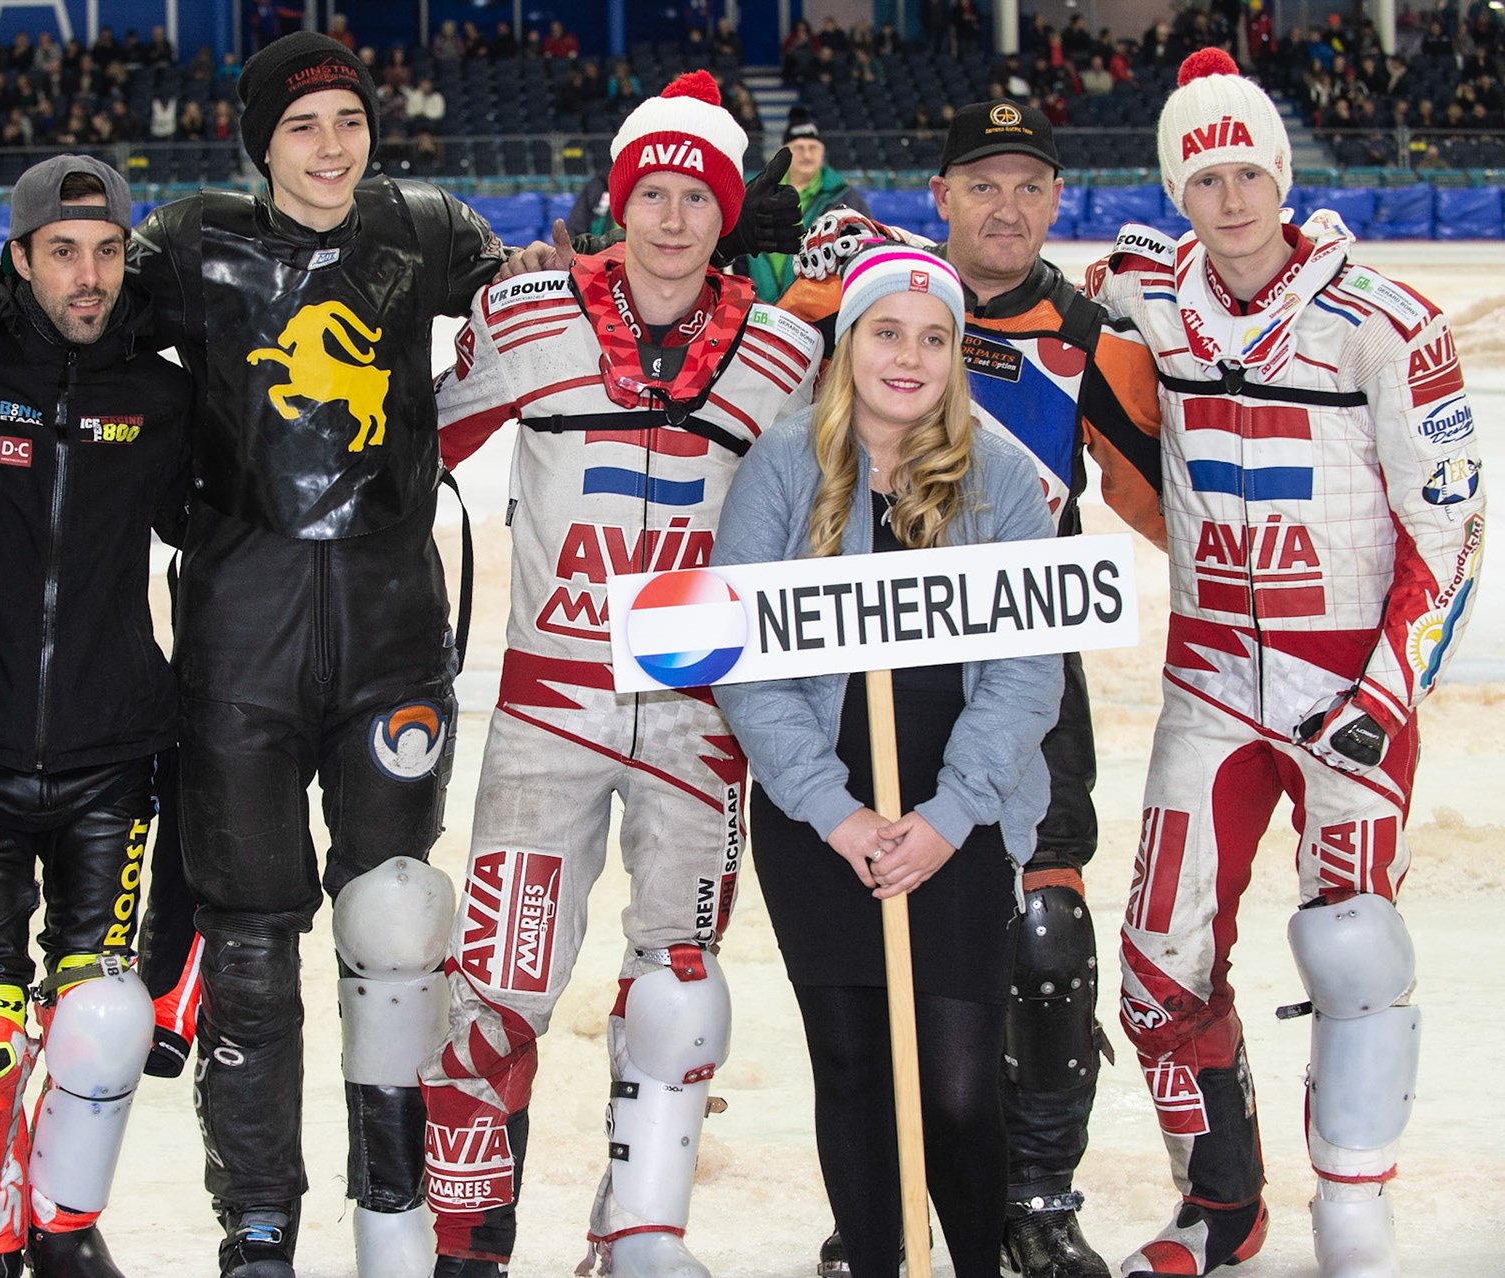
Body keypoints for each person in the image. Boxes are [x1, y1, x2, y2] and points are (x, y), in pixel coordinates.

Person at [0, 33, 793, 1278]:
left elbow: (571, 288)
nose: (329, 145)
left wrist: (719, 238)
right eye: (303, 125)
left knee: (399, 920)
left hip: (387, 636)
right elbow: (74, 305)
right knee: (252, 943)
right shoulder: (193, 238)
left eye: (348, 122)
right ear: (262, 142)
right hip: (239, 642)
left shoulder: (423, 226)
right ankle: (258, 1226)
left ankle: (394, 1222)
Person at [1086, 49, 1484, 1277]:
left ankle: (1355, 1202)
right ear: (1177, 192)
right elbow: (1014, 295)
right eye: (1203, 176)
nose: (1231, 196)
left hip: (1353, 684)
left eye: (1247, 167)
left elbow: (1452, 531)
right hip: (1207, 680)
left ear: (1282, 168)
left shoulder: (1386, 319)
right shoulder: (1145, 295)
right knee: (1155, 962)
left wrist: (1387, 686)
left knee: (1355, 944)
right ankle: (1221, 1202)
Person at [422, 70, 821, 1278]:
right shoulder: (531, 319)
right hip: (552, 704)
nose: (671, 220)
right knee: (496, 987)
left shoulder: (788, 350)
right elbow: (404, 447)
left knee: (679, 983)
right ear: (618, 200)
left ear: (724, 213)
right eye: (650, 194)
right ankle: (468, 1247)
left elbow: (856, 485)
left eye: (695, 199)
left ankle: (640, 1234)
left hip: (704, 710)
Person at [781, 100, 1165, 1278]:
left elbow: (1166, 500)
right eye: (981, 184)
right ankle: (879, 1200)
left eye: (1029, 187)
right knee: (876, 926)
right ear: (939, 196)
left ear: (1057, 202)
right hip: (867, 668)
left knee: (1041, 934)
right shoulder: (855, 309)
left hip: (1020, 672)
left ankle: (1036, 1203)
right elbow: (696, 304)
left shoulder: (1095, 334)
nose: (1006, 207)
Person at [714, 242, 1064, 1278]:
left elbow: (1028, 671)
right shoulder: (784, 466)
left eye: (934, 337)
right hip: (820, 814)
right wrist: (835, 811)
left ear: (956, 355)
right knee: (856, 1065)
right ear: (847, 339)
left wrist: (951, 816)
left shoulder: (1002, 477)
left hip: (957, 813)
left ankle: (974, 1264)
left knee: (957, 1083)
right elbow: (742, 663)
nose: (908, 356)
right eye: (886, 331)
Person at [0, 157, 190, 1278]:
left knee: (97, 1024)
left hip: (116, 762)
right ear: (17, 258)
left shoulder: (164, 397)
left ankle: (65, 1228)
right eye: (61, 250)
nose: (89, 275)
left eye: (108, 251)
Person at [740, 108, 869, 303]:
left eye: (813, 148)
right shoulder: (754, 192)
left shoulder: (847, 199)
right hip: (753, 310)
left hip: (817, 314)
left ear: (822, 152)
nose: (807, 155)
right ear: (783, 151)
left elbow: (864, 254)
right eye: (799, 148)